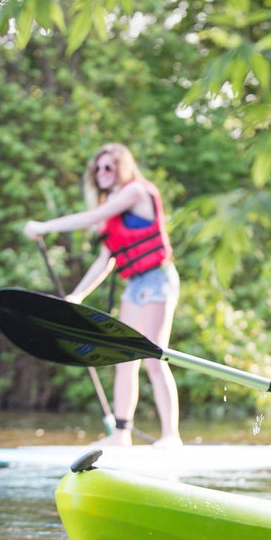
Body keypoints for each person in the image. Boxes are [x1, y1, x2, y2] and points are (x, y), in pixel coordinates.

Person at [22, 143, 181, 448]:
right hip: (134, 285)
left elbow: (89, 217)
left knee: (154, 358)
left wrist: (44, 226)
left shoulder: (135, 192)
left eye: (109, 167)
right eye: (98, 168)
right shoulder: (114, 216)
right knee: (125, 359)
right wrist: (77, 295)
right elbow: (105, 259)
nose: (102, 173)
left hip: (157, 279)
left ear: (123, 167)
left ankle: (171, 436)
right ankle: (121, 434)